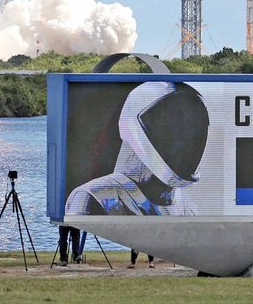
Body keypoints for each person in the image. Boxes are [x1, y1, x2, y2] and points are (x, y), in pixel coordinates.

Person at [65, 82, 208, 216]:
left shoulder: (187, 207)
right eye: (170, 124)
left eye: (189, 125)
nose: (181, 136)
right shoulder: (93, 196)